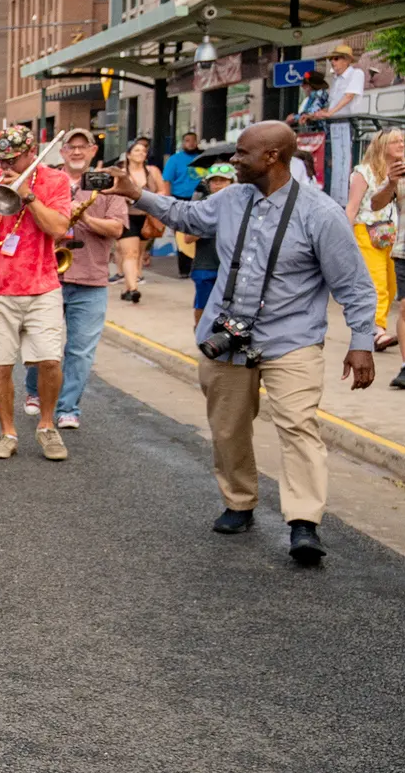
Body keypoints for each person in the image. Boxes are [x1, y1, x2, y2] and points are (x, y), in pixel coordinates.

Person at [115, 119, 376, 562]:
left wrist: (362, 340)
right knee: (228, 426)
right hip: (226, 337)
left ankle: (304, 522)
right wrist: (135, 193)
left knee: (298, 425)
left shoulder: (320, 213)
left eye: (241, 153)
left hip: (292, 339)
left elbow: (353, 283)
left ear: (272, 157)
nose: (233, 160)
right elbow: (186, 216)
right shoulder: (232, 198)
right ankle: (239, 501)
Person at [0, 124, 73, 461]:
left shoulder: (55, 181)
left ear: (32, 154)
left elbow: (59, 227)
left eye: (14, 159)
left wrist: (27, 194)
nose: (7, 166)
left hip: (42, 286)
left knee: (50, 360)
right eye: (3, 159)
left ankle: (46, 425)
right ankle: (7, 432)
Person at [21, 128, 124, 430]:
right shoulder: (48, 182)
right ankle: (34, 392)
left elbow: (118, 228)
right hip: (48, 275)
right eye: (71, 147)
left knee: (80, 350)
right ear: (62, 152)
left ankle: (68, 408)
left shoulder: (106, 187)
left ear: (94, 151)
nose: (77, 152)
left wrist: (84, 217)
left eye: (84, 147)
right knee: (42, 343)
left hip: (91, 278)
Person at [346, 126, 402, 359]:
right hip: (366, 232)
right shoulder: (364, 172)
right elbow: (352, 206)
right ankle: (377, 330)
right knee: (376, 283)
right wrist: (345, 241)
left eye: (403, 141)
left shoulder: (402, 171)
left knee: (391, 285)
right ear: (382, 146)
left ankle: (377, 328)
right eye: (395, 142)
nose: (401, 145)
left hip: (393, 236)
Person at [307, 44, 366, 201]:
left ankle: (345, 199)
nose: (333, 62)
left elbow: (348, 97)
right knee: (333, 162)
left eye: (336, 58)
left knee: (344, 161)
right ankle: (336, 198)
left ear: (346, 60)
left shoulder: (356, 74)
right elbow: (333, 103)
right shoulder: (336, 79)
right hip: (334, 124)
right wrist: (321, 113)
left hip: (347, 123)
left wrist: (329, 113)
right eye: (332, 59)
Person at [115, 136, 168, 303]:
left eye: (143, 151)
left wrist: (149, 197)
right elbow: (114, 192)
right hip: (126, 217)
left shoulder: (153, 171)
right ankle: (133, 289)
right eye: (137, 150)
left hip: (146, 218)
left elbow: (163, 191)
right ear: (129, 155)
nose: (141, 153)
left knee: (138, 254)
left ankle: (129, 285)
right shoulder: (121, 172)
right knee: (129, 253)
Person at [189, 163, 233, 327]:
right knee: (203, 304)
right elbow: (187, 238)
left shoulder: (242, 205)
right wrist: (211, 222)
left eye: (223, 180)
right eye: (214, 181)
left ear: (233, 183)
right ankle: (200, 334)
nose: (218, 184)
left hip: (231, 266)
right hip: (205, 264)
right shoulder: (201, 206)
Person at [164, 130, 204, 200]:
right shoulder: (174, 159)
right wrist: (168, 200)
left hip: (200, 198)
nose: (191, 143)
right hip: (178, 198)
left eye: (194, 140)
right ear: (183, 143)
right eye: (187, 141)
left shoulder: (202, 158)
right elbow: (167, 181)